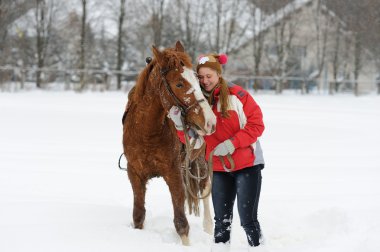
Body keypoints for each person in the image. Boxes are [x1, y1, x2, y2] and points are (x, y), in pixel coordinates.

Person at [169, 53, 266, 250]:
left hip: (247, 165)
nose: (205, 81)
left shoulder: (237, 96)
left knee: (247, 220)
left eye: (209, 76)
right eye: (201, 77)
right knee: (222, 221)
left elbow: (257, 125)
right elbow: (194, 143)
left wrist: (232, 143)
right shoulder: (199, 105)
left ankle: (259, 247)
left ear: (218, 75)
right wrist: (180, 126)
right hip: (219, 168)